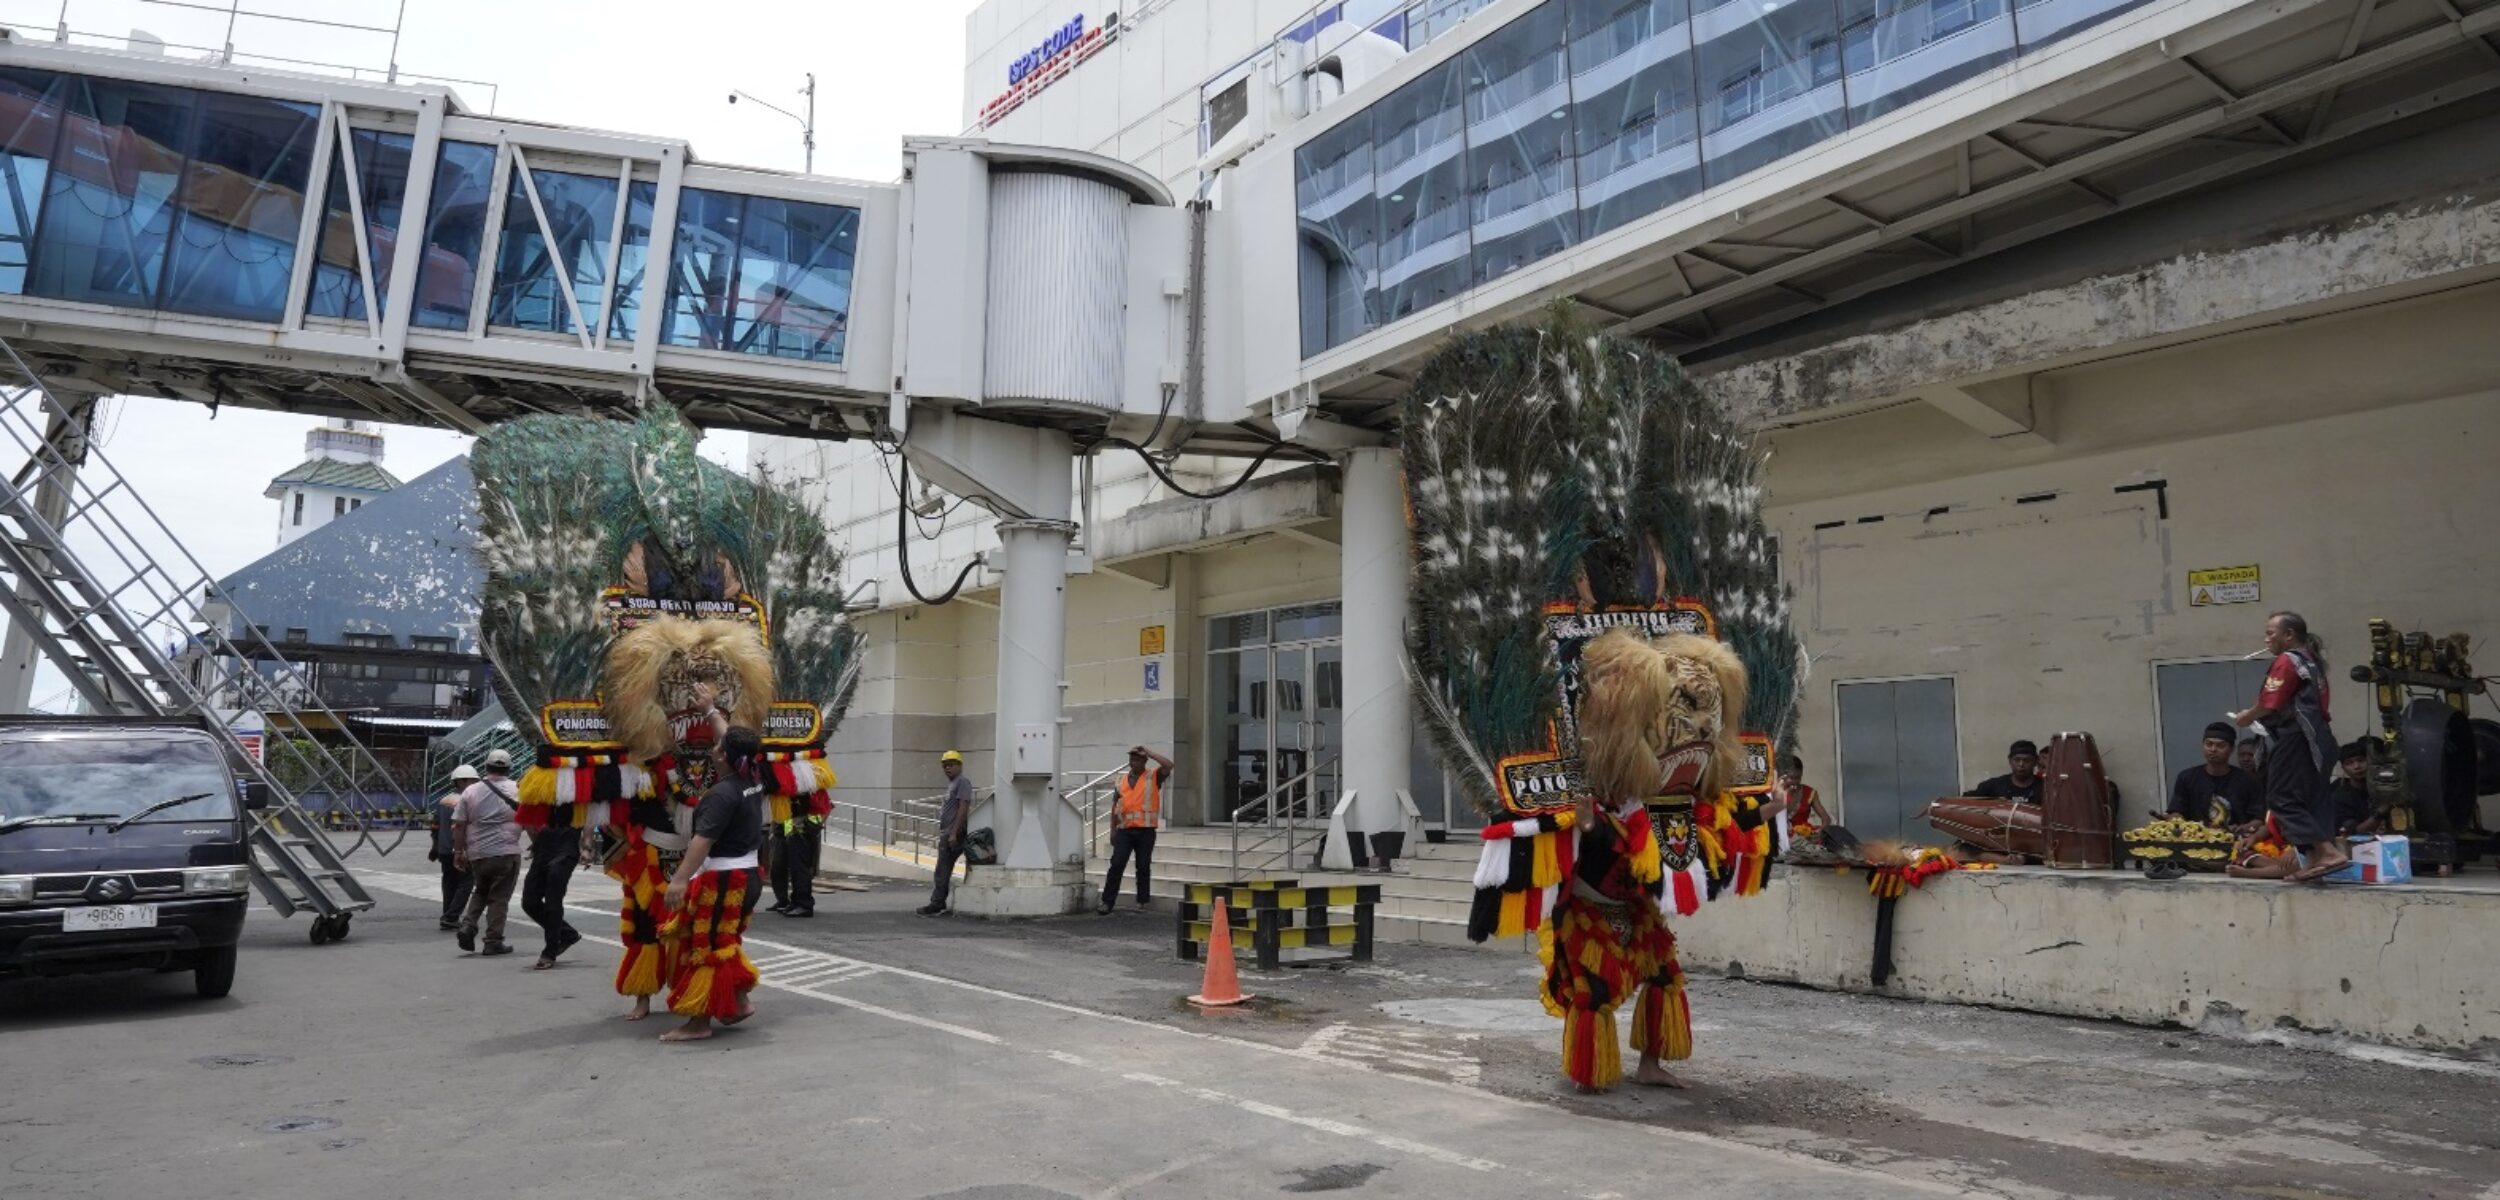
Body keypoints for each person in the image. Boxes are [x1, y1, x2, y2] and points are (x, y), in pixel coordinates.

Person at [659, 725, 770, 1043]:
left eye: (718, 746)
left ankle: (699, 1022)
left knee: (705, 947)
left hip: (724, 882)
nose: (713, 749)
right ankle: (740, 1002)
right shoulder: (754, 778)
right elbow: (739, 743)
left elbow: (702, 840)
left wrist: (679, 879)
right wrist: (710, 710)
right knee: (724, 942)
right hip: (748, 877)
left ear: (722, 756)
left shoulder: (720, 794)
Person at [2230, 610, 2348, 883]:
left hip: (2298, 737)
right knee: (2314, 799)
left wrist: (2247, 716)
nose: (2266, 639)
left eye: (2270, 633)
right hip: (2319, 737)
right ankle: (2316, 860)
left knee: (2281, 797)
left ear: (2289, 635)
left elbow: (2270, 702)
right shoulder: (2311, 660)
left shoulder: (2288, 660)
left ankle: (2328, 852)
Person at [452, 750, 524, 957]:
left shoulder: (470, 791)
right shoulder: (517, 789)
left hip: (478, 853)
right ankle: (493, 941)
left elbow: (459, 825)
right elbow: (528, 820)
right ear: (508, 769)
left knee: (481, 890)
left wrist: (458, 852)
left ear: (486, 767)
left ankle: (468, 925)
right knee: (499, 898)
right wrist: (537, 845)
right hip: (506, 852)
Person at [1098, 745, 1173, 915]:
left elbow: (1169, 765)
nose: (1134, 762)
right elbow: (1115, 806)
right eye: (1132, 759)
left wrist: (1151, 753)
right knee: (1116, 865)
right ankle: (1107, 902)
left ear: (1145, 761)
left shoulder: (1153, 776)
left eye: (1138, 759)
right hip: (1124, 830)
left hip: (1145, 830)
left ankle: (1142, 901)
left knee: (1143, 866)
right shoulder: (1121, 780)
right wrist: (1112, 830)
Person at [520, 778, 586, 972]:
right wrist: (535, 842)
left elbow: (590, 818)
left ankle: (549, 952)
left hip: (566, 849)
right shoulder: (541, 784)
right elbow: (530, 817)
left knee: (553, 902)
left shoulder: (578, 788)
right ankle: (567, 934)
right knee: (529, 902)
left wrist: (587, 845)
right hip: (544, 848)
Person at [2167, 721, 2264, 829]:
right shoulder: (2186, 778)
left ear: (2232, 749)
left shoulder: (2249, 781)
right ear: (2202, 746)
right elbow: (2176, 811)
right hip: (2196, 837)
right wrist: (2176, 821)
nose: (2213, 749)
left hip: (2238, 837)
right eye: (2209, 744)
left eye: (2220, 745)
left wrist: (2245, 827)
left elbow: (2259, 819)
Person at [917, 750, 973, 917]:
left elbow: (963, 808)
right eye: (945, 765)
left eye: (951, 765)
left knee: (943, 869)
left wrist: (954, 833)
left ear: (959, 766)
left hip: (953, 833)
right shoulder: (953, 784)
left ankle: (937, 903)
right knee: (942, 869)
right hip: (947, 832)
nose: (947, 768)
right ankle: (939, 901)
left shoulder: (962, 782)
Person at [429, 764, 478, 931]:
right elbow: (458, 828)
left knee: (449, 883)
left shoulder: (444, 800)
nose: (474, 784)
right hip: (457, 849)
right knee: (467, 882)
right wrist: (461, 849)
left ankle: (447, 915)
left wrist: (435, 846)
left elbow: (435, 826)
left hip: (444, 850)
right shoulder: (465, 801)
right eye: (472, 781)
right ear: (461, 781)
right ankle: (451, 916)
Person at [1763, 754, 1829, 847]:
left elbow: (1826, 818)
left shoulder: (1810, 792)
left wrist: (1821, 831)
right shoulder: (1774, 792)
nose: (1794, 781)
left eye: (1798, 777)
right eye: (1791, 778)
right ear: (1782, 776)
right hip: (1779, 834)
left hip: (1803, 835)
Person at [773, 807, 824, 918]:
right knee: (795, 870)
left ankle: (804, 904)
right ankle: (796, 902)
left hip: (802, 831)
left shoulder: (803, 797)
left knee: (800, 870)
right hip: (795, 830)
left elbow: (823, 809)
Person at [2329, 738, 2382, 836]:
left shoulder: (2385, 789)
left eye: (2361, 760)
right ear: (2343, 768)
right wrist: (2380, 812)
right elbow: (2354, 832)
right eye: (2349, 763)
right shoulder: (2340, 797)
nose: (2357, 766)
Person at [1971, 740, 2045, 804]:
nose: (2021, 764)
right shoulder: (1993, 786)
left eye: (2027, 760)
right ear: (2010, 760)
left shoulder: (2045, 788)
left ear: (2035, 761)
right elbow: (1968, 802)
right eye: (2017, 760)